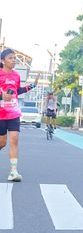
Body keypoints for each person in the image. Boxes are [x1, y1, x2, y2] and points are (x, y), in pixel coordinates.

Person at [0, 48, 38, 182]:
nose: (13, 60)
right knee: (2, 142)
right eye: (10, 58)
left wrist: (31, 86)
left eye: (14, 58)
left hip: (13, 113)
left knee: (14, 140)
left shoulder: (16, 76)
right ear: (2, 61)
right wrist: (1, 96)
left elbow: (17, 91)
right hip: (0, 114)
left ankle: (13, 171)